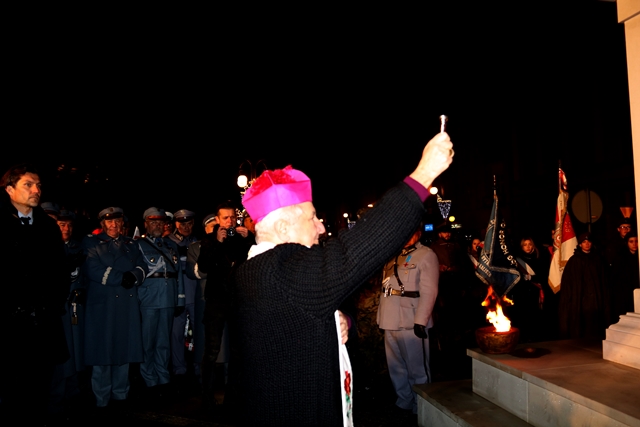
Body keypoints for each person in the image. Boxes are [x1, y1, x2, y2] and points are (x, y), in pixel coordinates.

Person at [230, 131, 453, 426]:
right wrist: (424, 174)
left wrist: (340, 322)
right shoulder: (281, 271)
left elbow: (297, 321)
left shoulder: (256, 270)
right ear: (283, 228)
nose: (321, 227)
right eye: (312, 217)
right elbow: (356, 249)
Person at [0, 163, 69, 424]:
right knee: (12, 389)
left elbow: (60, 273)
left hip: (44, 322)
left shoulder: (47, 227)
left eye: (38, 185)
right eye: (28, 185)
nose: (36, 190)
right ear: (9, 189)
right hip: (10, 325)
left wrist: (51, 305)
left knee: (42, 385)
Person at [82, 207, 148, 409]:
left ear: (122, 223)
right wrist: (121, 278)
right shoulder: (92, 243)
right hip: (103, 305)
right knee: (102, 351)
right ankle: (101, 397)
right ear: (103, 224)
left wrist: (134, 276)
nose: (114, 225)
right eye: (109, 221)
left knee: (124, 349)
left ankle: (121, 394)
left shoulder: (131, 244)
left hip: (126, 305)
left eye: (117, 221)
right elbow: (92, 268)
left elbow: (143, 265)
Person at [196, 202, 255, 410]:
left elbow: (253, 263)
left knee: (237, 350)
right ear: (218, 220)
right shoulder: (209, 240)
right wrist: (218, 242)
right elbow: (203, 267)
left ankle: (233, 395)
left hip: (237, 301)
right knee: (211, 350)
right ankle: (207, 394)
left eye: (233, 217)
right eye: (225, 218)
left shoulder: (242, 238)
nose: (230, 221)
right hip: (216, 302)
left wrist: (250, 239)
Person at [377, 226, 439, 417]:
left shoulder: (426, 255)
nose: (406, 236)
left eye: (411, 231)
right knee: (396, 366)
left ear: (419, 233)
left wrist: (421, 320)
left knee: (417, 368)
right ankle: (404, 400)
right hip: (390, 318)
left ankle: (421, 405)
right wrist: (381, 317)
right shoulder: (392, 255)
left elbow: (429, 291)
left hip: (411, 319)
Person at [137, 207, 185, 397]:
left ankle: (163, 377)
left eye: (160, 222)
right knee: (147, 342)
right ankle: (149, 379)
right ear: (146, 224)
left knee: (164, 342)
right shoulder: (138, 245)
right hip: (147, 299)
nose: (157, 225)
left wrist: (179, 299)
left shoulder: (170, 246)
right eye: (153, 222)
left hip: (167, 298)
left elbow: (178, 275)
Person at [49, 209, 88, 419]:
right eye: (62, 225)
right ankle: (57, 398)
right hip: (57, 310)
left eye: (69, 225)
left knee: (75, 351)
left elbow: (86, 277)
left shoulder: (78, 247)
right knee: (60, 354)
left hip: (75, 307)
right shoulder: (49, 247)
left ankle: (73, 391)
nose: (66, 229)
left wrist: (81, 290)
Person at [167, 209, 200, 384]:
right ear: (176, 224)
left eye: (189, 224)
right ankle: (179, 369)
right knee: (176, 335)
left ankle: (199, 368)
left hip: (195, 296)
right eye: (182, 224)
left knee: (199, 334)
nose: (186, 227)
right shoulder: (168, 243)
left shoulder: (198, 242)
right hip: (177, 297)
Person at [558, 232, 610, 340]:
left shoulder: (598, 259)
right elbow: (568, 283)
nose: (587, 244)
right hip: (579, 299)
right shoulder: (574, 261)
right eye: (584, 242)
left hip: (595, 298)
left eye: (589, 241)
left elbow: (603, 280)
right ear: (580, 244)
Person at [610, 231, 639, 323]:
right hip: (624, 293)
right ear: (627, 243)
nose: (634, 244)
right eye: (631, 241)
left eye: (636, 241)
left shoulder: (638, 256)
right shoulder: (620, 257)